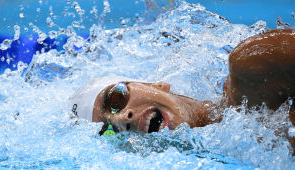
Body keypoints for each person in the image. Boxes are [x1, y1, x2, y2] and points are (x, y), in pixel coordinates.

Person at [70, 29, 295, 153]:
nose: (121, 119)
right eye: (107, 130)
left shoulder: (254, 68)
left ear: (156, 85)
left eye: (116, 99)